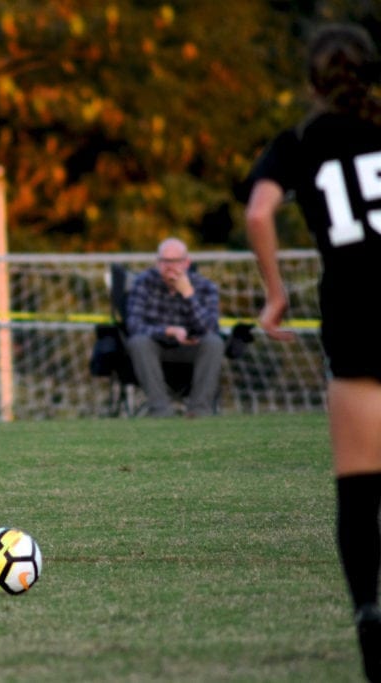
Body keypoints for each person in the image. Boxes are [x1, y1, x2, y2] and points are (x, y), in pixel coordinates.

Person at [244, 23, 381, 681]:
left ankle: (369, 617)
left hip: (356, 317)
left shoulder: (299, 142)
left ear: (310, 83)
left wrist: (276, 295)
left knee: (359, 491)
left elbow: (260, 212)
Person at [124, 237, 224, 417]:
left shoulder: (205, 287)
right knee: (138, 342)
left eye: (175, 261)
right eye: (165, 261)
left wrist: (188, 294)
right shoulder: (143, 283)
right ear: (157, 262)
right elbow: (134, 325)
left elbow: (210, 328)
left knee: (214, 343)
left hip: (192, 347)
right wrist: (168, 331)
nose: (170, 266)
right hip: (156, 347)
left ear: (187, 262)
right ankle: (161, 410)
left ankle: (199, 411)